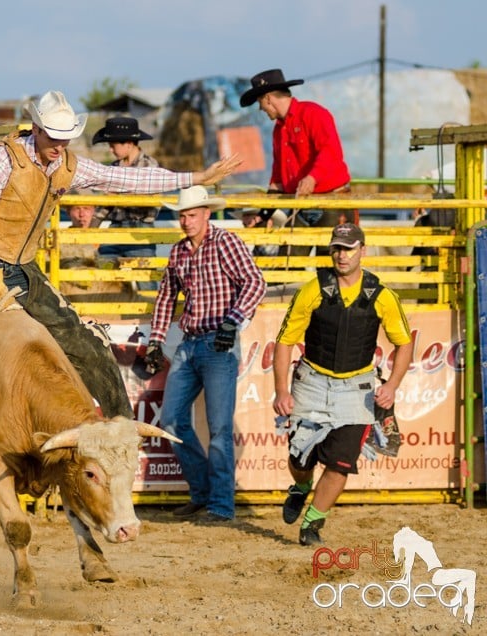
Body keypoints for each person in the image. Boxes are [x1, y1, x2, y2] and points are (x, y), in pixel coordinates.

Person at [0, 91, 242, 485]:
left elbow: (126, 178)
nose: (60, 145)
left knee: (86, 339)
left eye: (65, 137)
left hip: (22, 267)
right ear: (36, 129)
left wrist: (193, 179)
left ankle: (122, 426)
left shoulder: (67, 164)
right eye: (54, 136)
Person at [272, 223, 413, 546]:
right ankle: (301, 486)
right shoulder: (312, 290)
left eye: (348, 248)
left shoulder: (382, 295)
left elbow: (404, 342)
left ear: (362, 250)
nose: (341, 254)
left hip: (357, 389)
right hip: (312, 382)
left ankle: (312, 523)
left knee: (341, 462)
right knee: (300, 458)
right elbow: (284, 341)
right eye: (336, 248)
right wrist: (281, 390)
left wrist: (392, 385)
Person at [142, 186, 267, 522]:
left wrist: (232, 322)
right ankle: (203, 494)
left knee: (219, 426)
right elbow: (167, 297)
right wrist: (155, 341)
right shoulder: (179, 252)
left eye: (192, 214)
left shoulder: (225, 242)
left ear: (206, 214)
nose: (186, 220)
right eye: (183, 215)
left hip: (217, 342)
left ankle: (220, 505)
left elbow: (255, 282)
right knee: (171, 420)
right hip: (191, 340)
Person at [239, 69, 352, 232]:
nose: (260, 108)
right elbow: (278, 180)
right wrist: (263, 214)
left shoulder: (313, 113)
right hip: (301, 204)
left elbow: (330, 151)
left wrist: (312, 178)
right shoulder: (279, 129)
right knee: (290, 254)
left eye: (260, 102)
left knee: (329, 256)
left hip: (332, 201)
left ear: (268, 98)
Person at [90, 117, 162, 289]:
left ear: (128, 143)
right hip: (116, 227)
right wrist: (91, 230)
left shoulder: (150, 165)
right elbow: (105, 204)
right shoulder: (114, 167)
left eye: (113, 145)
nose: (111, 149)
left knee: (146, 279)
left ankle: (150, 313)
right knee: (103, 271)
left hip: (140, 228)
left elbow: (153, 200)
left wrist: (118, 193)